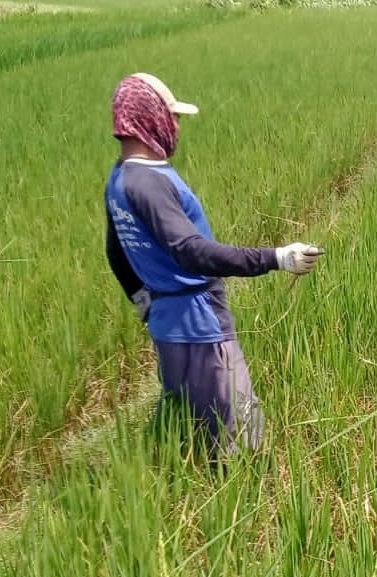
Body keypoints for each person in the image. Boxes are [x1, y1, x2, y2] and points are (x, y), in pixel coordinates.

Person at [103, 72, 324, 458]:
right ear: (149, 117)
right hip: (201, 322)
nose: (176, 127)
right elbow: (192, 251)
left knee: (188, 417)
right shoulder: (150, 183)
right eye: (172, 117)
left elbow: (116, 252)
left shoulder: (120, 179)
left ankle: (187, 477)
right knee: (240, 428)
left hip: (167, 323)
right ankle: (246, 494)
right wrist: (276, 257)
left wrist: (147, 305)